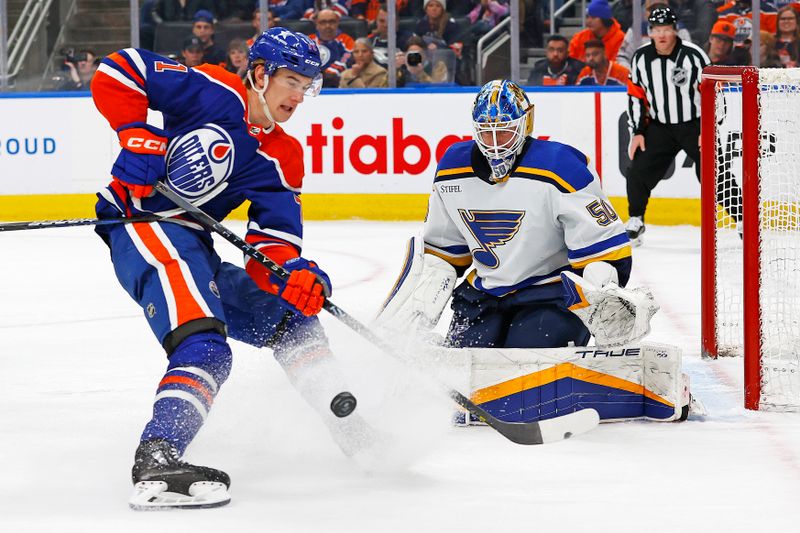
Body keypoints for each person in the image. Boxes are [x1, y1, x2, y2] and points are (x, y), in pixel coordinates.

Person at [90, 27, 367, 510]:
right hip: (142, 221)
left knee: (291, 319)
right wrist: (134, 132)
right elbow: (120, 69)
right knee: (205, 344)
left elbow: (271, 249)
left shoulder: (283, 157)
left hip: (193, 242)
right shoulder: (212, 89)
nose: (299, 96)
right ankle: (158, 456)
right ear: (259, 74)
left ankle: (351, 429)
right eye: (291, 81)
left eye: (308, 86)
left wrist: (299, 277)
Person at [375, 79, 644, 353]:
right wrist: (419, 311)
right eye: (486, 133)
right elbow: (444, 253)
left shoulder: (560, 168)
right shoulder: (452, 169)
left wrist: (604, 294)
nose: (494, 144)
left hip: (549, 294)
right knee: (463, 366)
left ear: (525, 124)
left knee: (526, 366)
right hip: (484, 295)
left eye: (504, 132)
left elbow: (602, 251)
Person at [626, 6, 709, 244]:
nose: (662, 35)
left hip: (694, 125)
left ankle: (742, 219)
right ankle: (636, 219)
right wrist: (638, 132)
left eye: (667, 29)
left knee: (714, 172)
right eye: (657, 30)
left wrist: (708, 129)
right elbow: (635, 95)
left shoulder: (695, 56)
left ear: (675, 31)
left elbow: (715, 95)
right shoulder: (641, 58)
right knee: (637, 170)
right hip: (660, 127)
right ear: (650, 32)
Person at [616, 1, 693, 69]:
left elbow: (689, 59)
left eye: (662, 8)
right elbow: (622, 58)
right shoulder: (636, 31)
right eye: (653, 10)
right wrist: (635, 74)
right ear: (646, 13)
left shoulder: (681, 31)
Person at [308, 8, 356, 87]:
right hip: (311, 82)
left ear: (337, 23)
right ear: (317, 24)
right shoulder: (308, 41)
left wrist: (329, 73)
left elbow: (347, 58)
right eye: (323, 22)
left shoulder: (347, 40)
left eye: (331, 21)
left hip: (337, 82)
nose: (328, 26)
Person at [366, 3, 415, 68]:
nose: (386, 25)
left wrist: (407, 59)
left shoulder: (410, 39)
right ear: (376, 22)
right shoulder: (368, 42)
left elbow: (423, 61)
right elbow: (351, 63)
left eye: (390, 21)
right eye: (381, 21)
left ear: (397, 21)